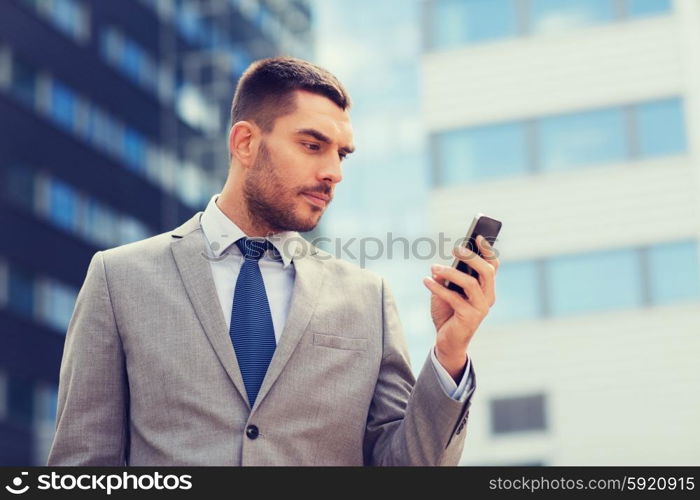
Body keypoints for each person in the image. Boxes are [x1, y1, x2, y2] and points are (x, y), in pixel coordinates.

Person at [47, 57, 499, 466]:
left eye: (341, 154)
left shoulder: (367, 298)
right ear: (245, 143)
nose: (334, 173)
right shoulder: (119, 278)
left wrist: (450, 351)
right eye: (311, 145)